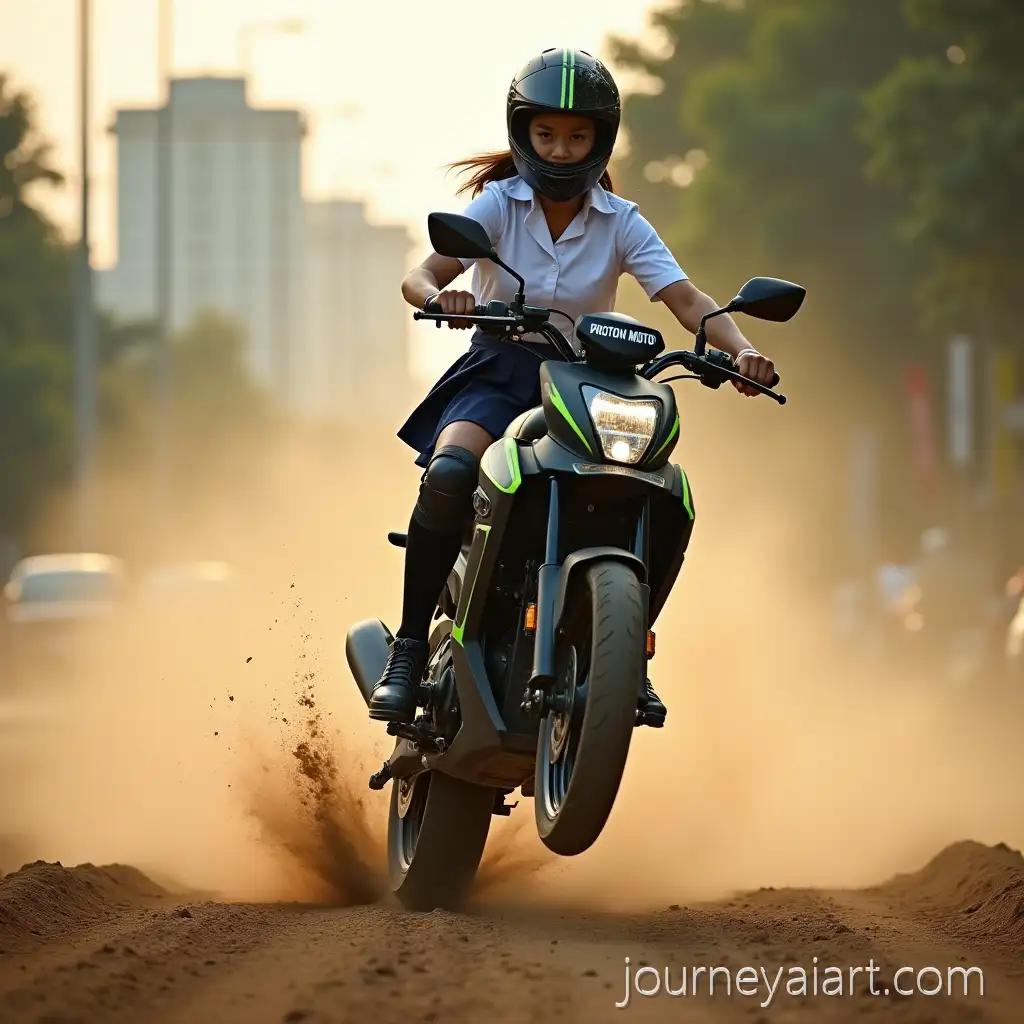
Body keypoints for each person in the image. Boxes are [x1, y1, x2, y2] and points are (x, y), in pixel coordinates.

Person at [368, 47, 777, 725]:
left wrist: (744, 351)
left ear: (600, 139)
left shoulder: (623, 221)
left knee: (663, 496)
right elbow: (423, 276)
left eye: (577, 136)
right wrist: (444, 298)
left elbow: (686, 300)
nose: (561, 150)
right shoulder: (498, 206)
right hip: (499, 370)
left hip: (586, 387)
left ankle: (627, 655)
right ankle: (409, 649)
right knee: (451, 471)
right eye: (547, 134)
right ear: (523, 134)